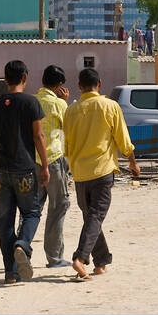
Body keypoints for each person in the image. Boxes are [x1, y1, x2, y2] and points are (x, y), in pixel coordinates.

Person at [62, 67, 138, 280]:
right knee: (95, 216)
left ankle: (101, 261)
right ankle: (80, 257)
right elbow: (123, 139)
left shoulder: (71, 111)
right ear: (100, 84)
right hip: (102, 170)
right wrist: (132, 162)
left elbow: (66, 144)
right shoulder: (110, 106)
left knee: (91, 217)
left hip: (79, 172)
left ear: (79, 86)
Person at [0, 59, 48, 284]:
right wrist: (46, 165)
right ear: (25, 78)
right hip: (24, 168)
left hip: (0, 169)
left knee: (4, 222)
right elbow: (39, 136)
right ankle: (23, 244)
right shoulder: (31, 103)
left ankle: (10, 274)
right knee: (31, 213)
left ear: (5, 80)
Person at [34, 64, 71, 268]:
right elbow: (68, 129)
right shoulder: (59, 104)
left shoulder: (32, 101)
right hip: (54, 159)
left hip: (33, 161)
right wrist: (63, 102)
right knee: (58, 208)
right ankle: (55, 257)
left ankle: (21, 247)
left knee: (32, 210)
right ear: (59, 85)